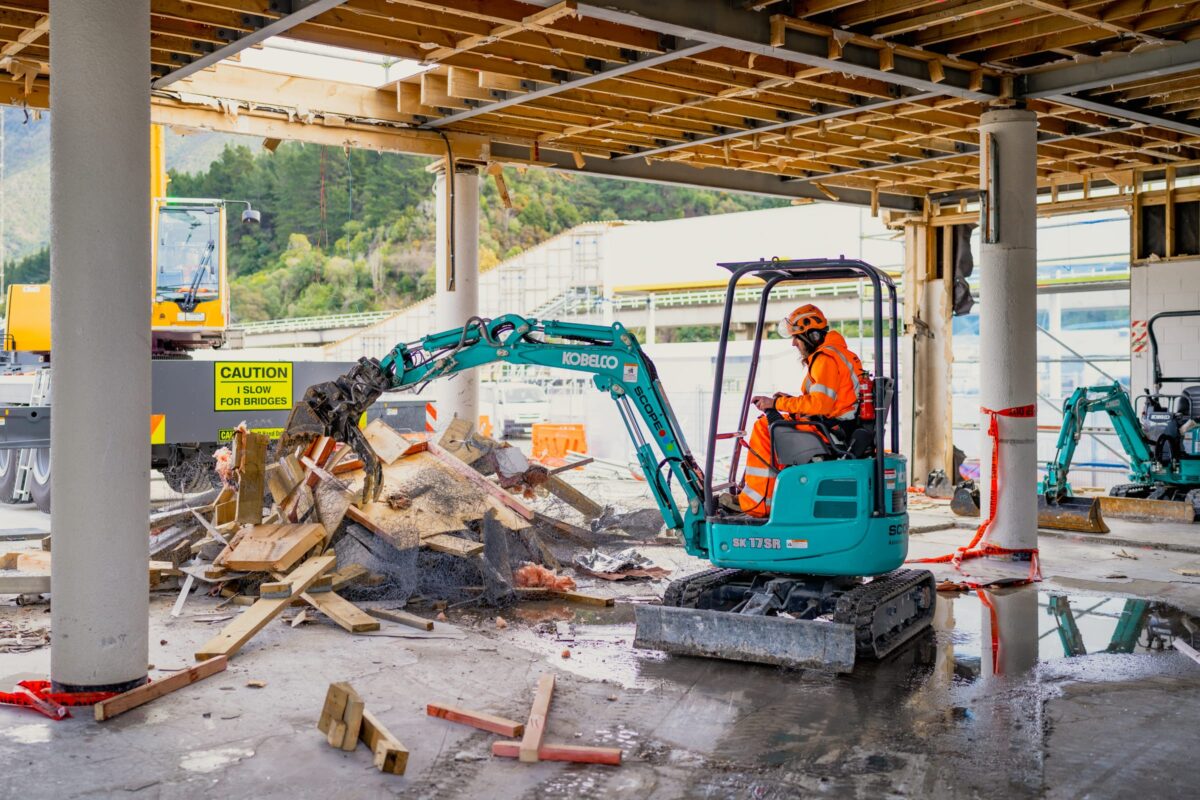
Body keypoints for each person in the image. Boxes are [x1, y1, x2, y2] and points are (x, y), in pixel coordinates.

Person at [730, 303, 864, 517]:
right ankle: (775, 494)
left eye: (797, 337)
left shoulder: (825, 359)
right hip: (837, 426)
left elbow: (821, 404)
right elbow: (826, 401)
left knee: (765, 427)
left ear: (812, 336)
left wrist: (775, 404)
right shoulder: (839, 353)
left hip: (830, 432)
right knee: (777, 422)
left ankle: (757, 503)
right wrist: (790, 401)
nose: (793, 343)